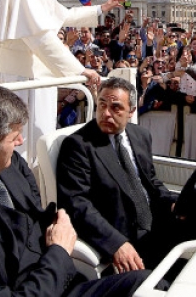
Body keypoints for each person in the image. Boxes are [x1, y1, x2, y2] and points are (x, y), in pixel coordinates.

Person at [0, 84, 148, 297]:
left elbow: (35, 216)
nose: (21, 142)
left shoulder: (11, 164)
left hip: (63, 283)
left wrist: (59, 222)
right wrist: (59, 250)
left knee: (151, 285)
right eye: (14, 137)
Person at [0, 0, 127, 154]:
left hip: (33, 81)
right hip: (17, 80)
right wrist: (78, 71)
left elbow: (65, 16)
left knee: (37, 144)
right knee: (19, 146)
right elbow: (41, 38)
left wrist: (101, 8)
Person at [56, 77, 177, 271]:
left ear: (131, 112)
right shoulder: (79, 145)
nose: (106, 113)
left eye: (116, 107)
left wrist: (173, 202)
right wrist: (115, 243)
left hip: (156, 222)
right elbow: (77, 203)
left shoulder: (140, 136)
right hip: (122, 233)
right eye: (102, 105)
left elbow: (150, 181)